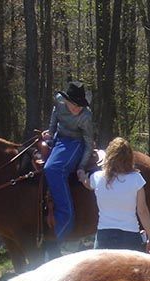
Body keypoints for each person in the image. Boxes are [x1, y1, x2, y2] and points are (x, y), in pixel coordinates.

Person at [81, 137, 150, 252]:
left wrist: (82, 176)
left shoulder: (97, 177)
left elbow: (88, 184)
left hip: (104, 237)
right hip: (130, 237)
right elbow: (142, 210)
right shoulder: (136, 179)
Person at [43, 81, 94, 240]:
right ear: (66, 101)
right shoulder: (59, 103)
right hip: (59, 138)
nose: (77, 109)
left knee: (53, 169)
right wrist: (50, 134)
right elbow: (54, 120)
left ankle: (65, 220)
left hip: (76, 143)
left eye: (80, 106)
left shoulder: (85, 116)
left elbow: (88, 142)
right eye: (74, 105)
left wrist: (81, 166)